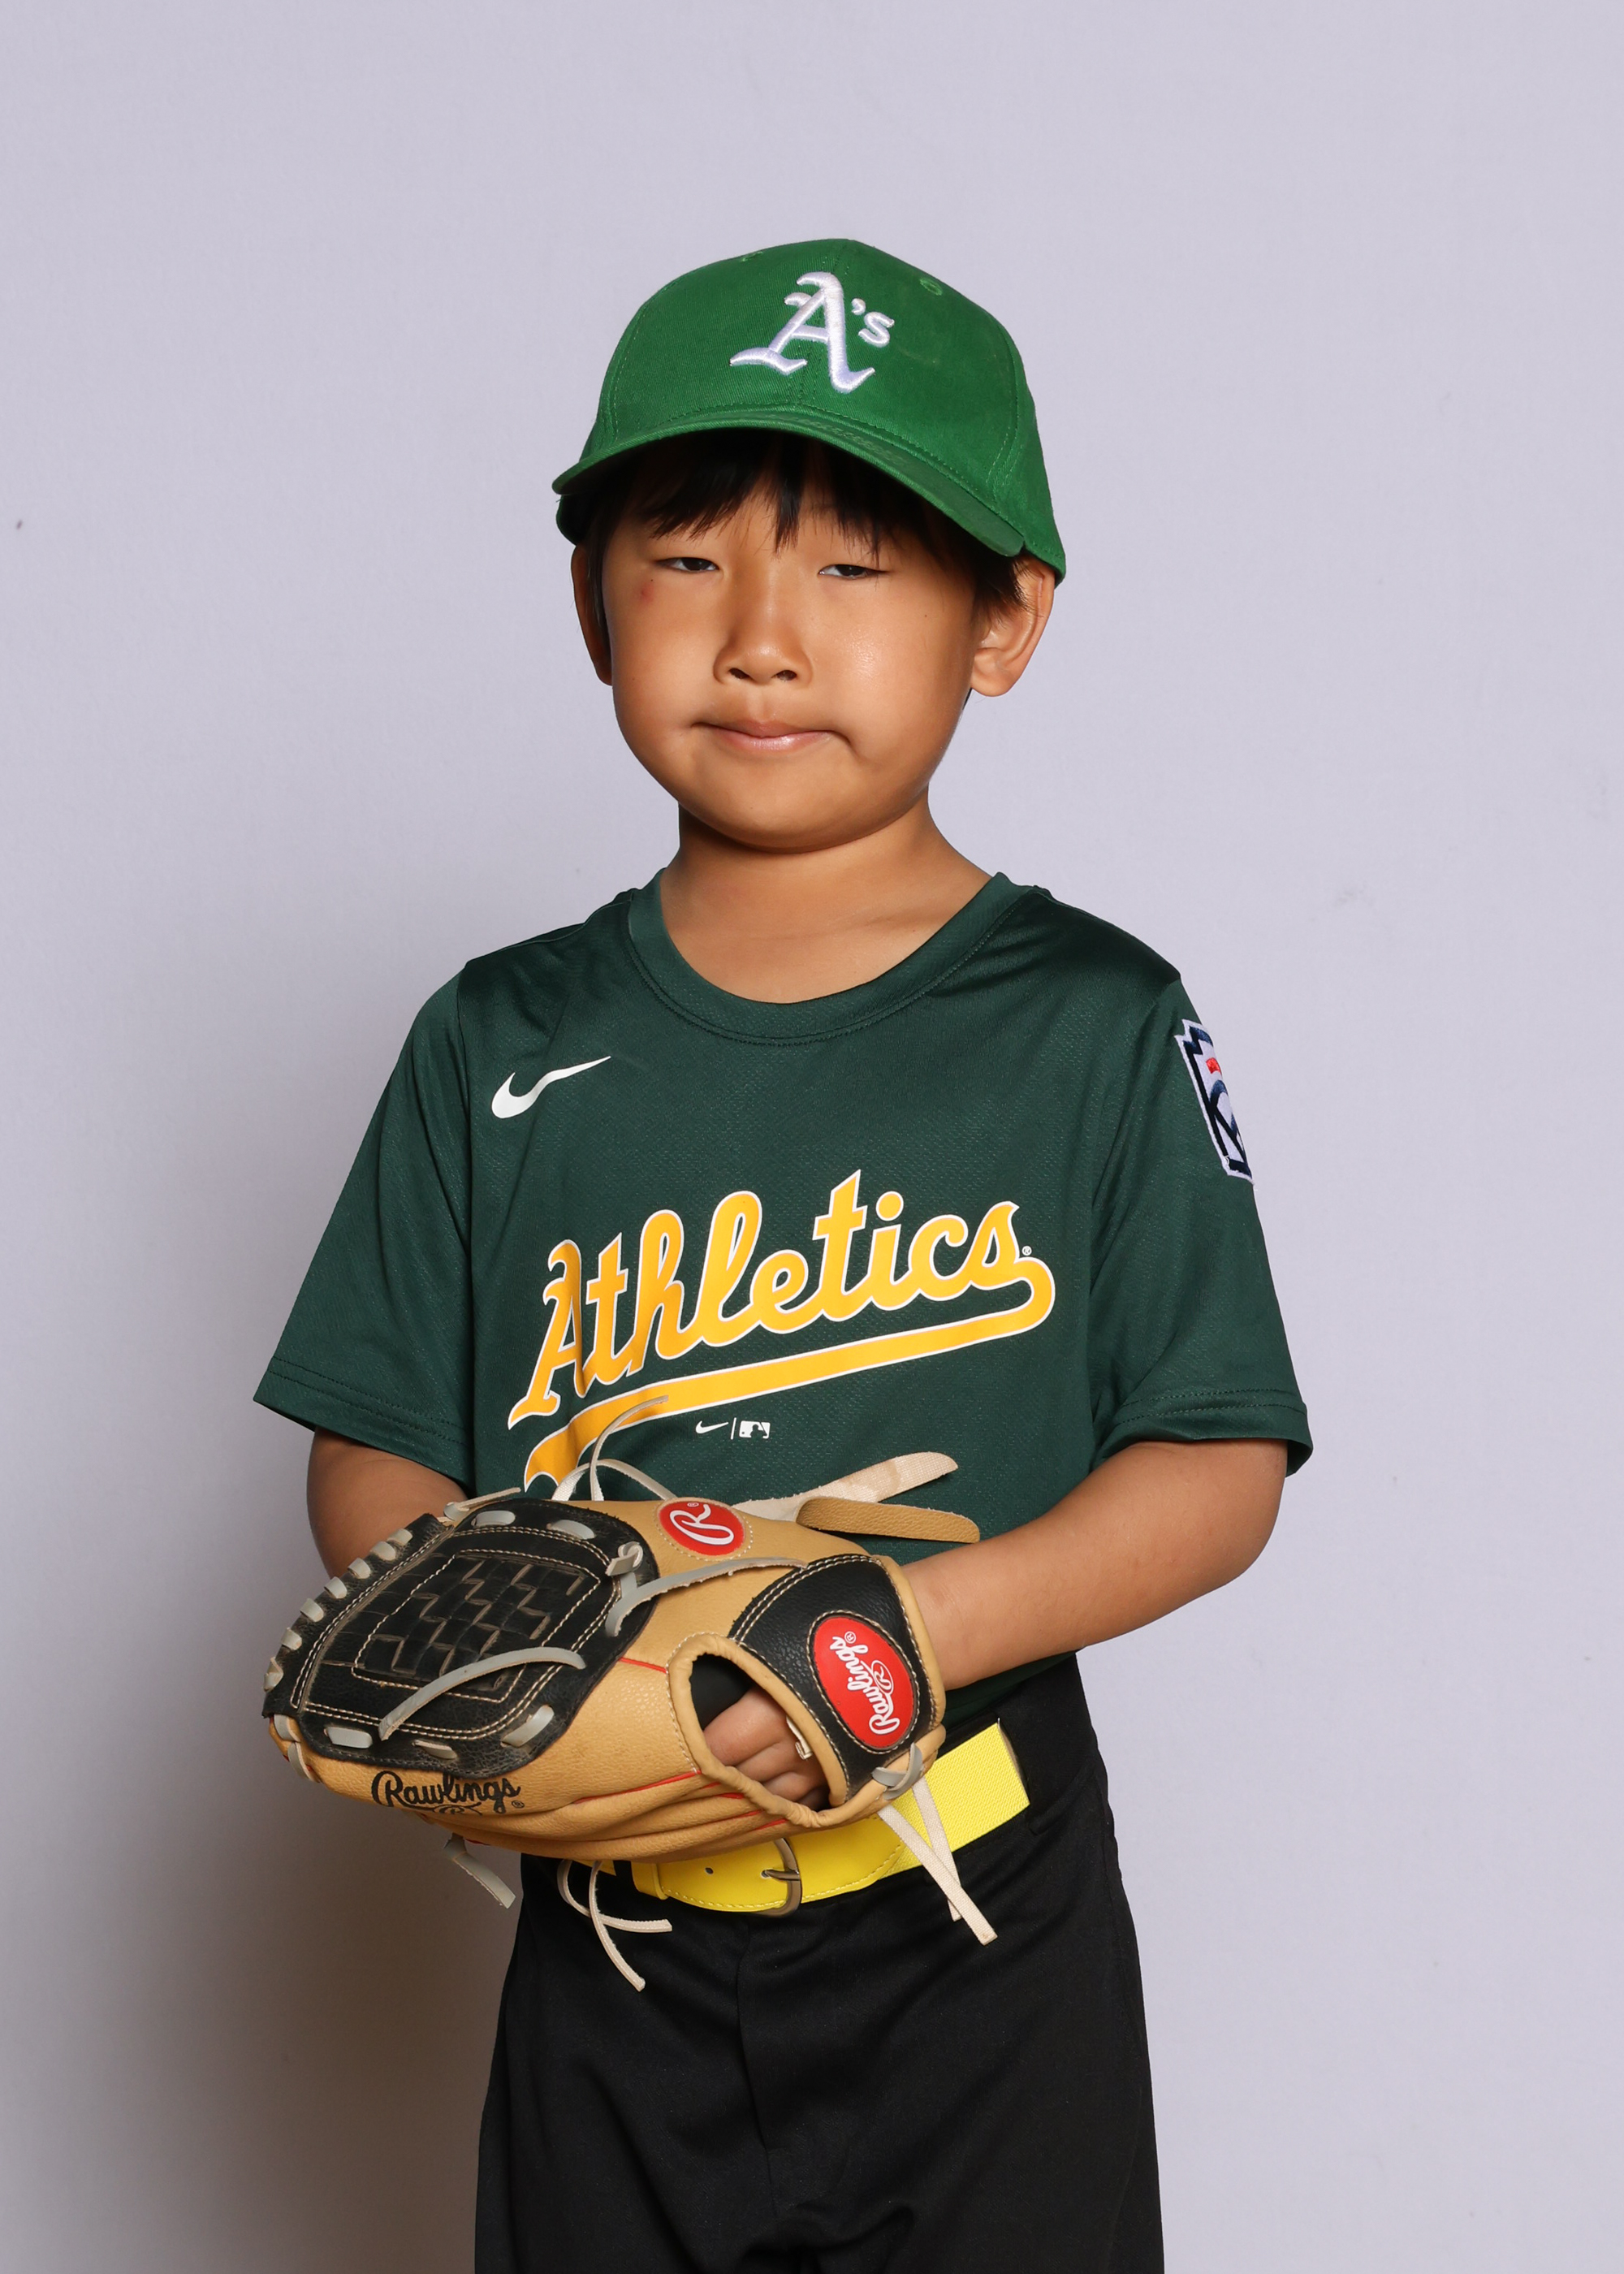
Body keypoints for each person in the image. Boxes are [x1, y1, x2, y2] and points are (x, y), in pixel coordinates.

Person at [256, 237, 1311, 2272]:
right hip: (618, 1941)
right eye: (684, 558)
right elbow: (373, 1441)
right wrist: (510, 1664)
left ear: (1004, 620)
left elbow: (1216, 1460)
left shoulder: (1091, 1020)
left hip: (977, 1915)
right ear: (590, 604)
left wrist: (899, 1630)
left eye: (853, 565)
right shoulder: (500, 1037)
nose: (761, 637)